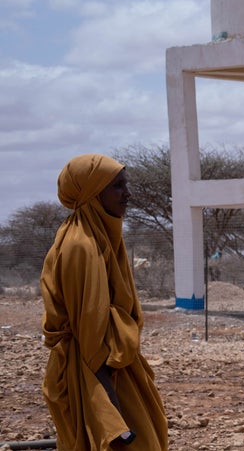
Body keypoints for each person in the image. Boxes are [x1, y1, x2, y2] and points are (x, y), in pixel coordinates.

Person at [40, 154, 168, 449]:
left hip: (114, 363)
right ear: (92, 193)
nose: (127, 193)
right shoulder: (81, 246)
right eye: (117, 186)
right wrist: (108, 409)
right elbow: (90, 337)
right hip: (100, 371)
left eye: (125, 184)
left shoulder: (101, 237)